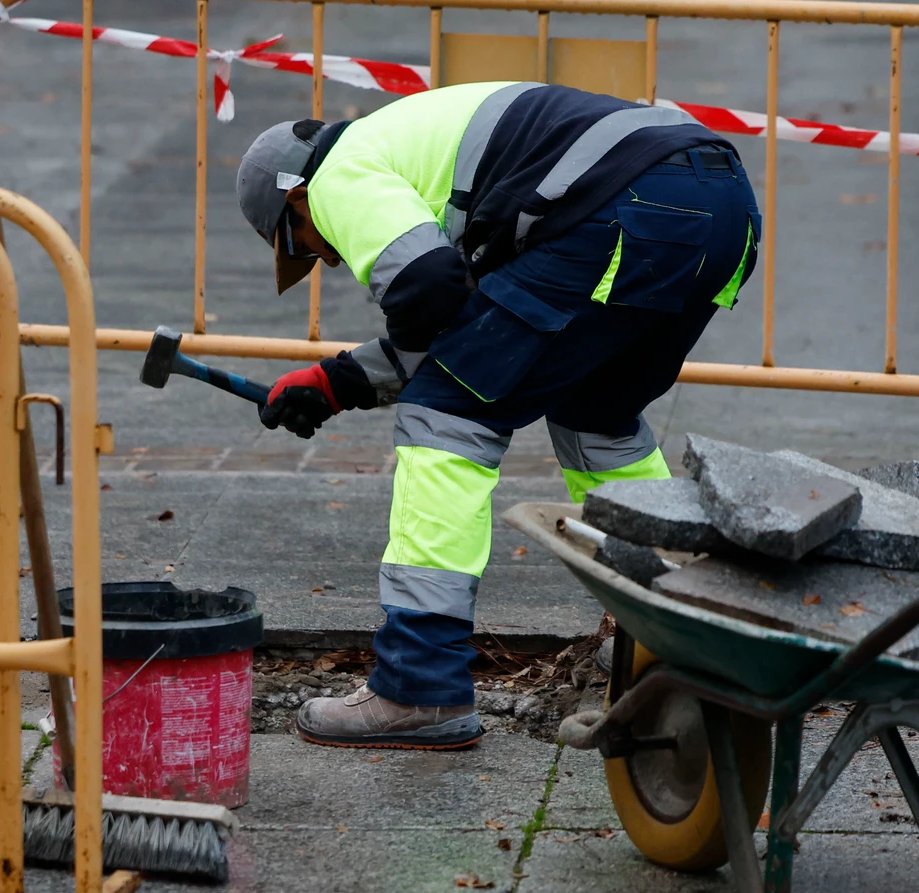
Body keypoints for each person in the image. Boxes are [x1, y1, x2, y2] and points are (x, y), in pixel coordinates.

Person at [234, 81, 759, 749]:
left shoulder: (340, 172)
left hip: (624, 208)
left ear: (296, 198)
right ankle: (662, 630)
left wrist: (366, 376)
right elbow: (474, 319)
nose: (329, 255)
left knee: (443, 416)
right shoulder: (428, 151)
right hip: (717, 203)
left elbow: (429, 294)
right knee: (596, 412)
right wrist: (337, 382)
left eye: (306, 243)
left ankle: (417, 686)